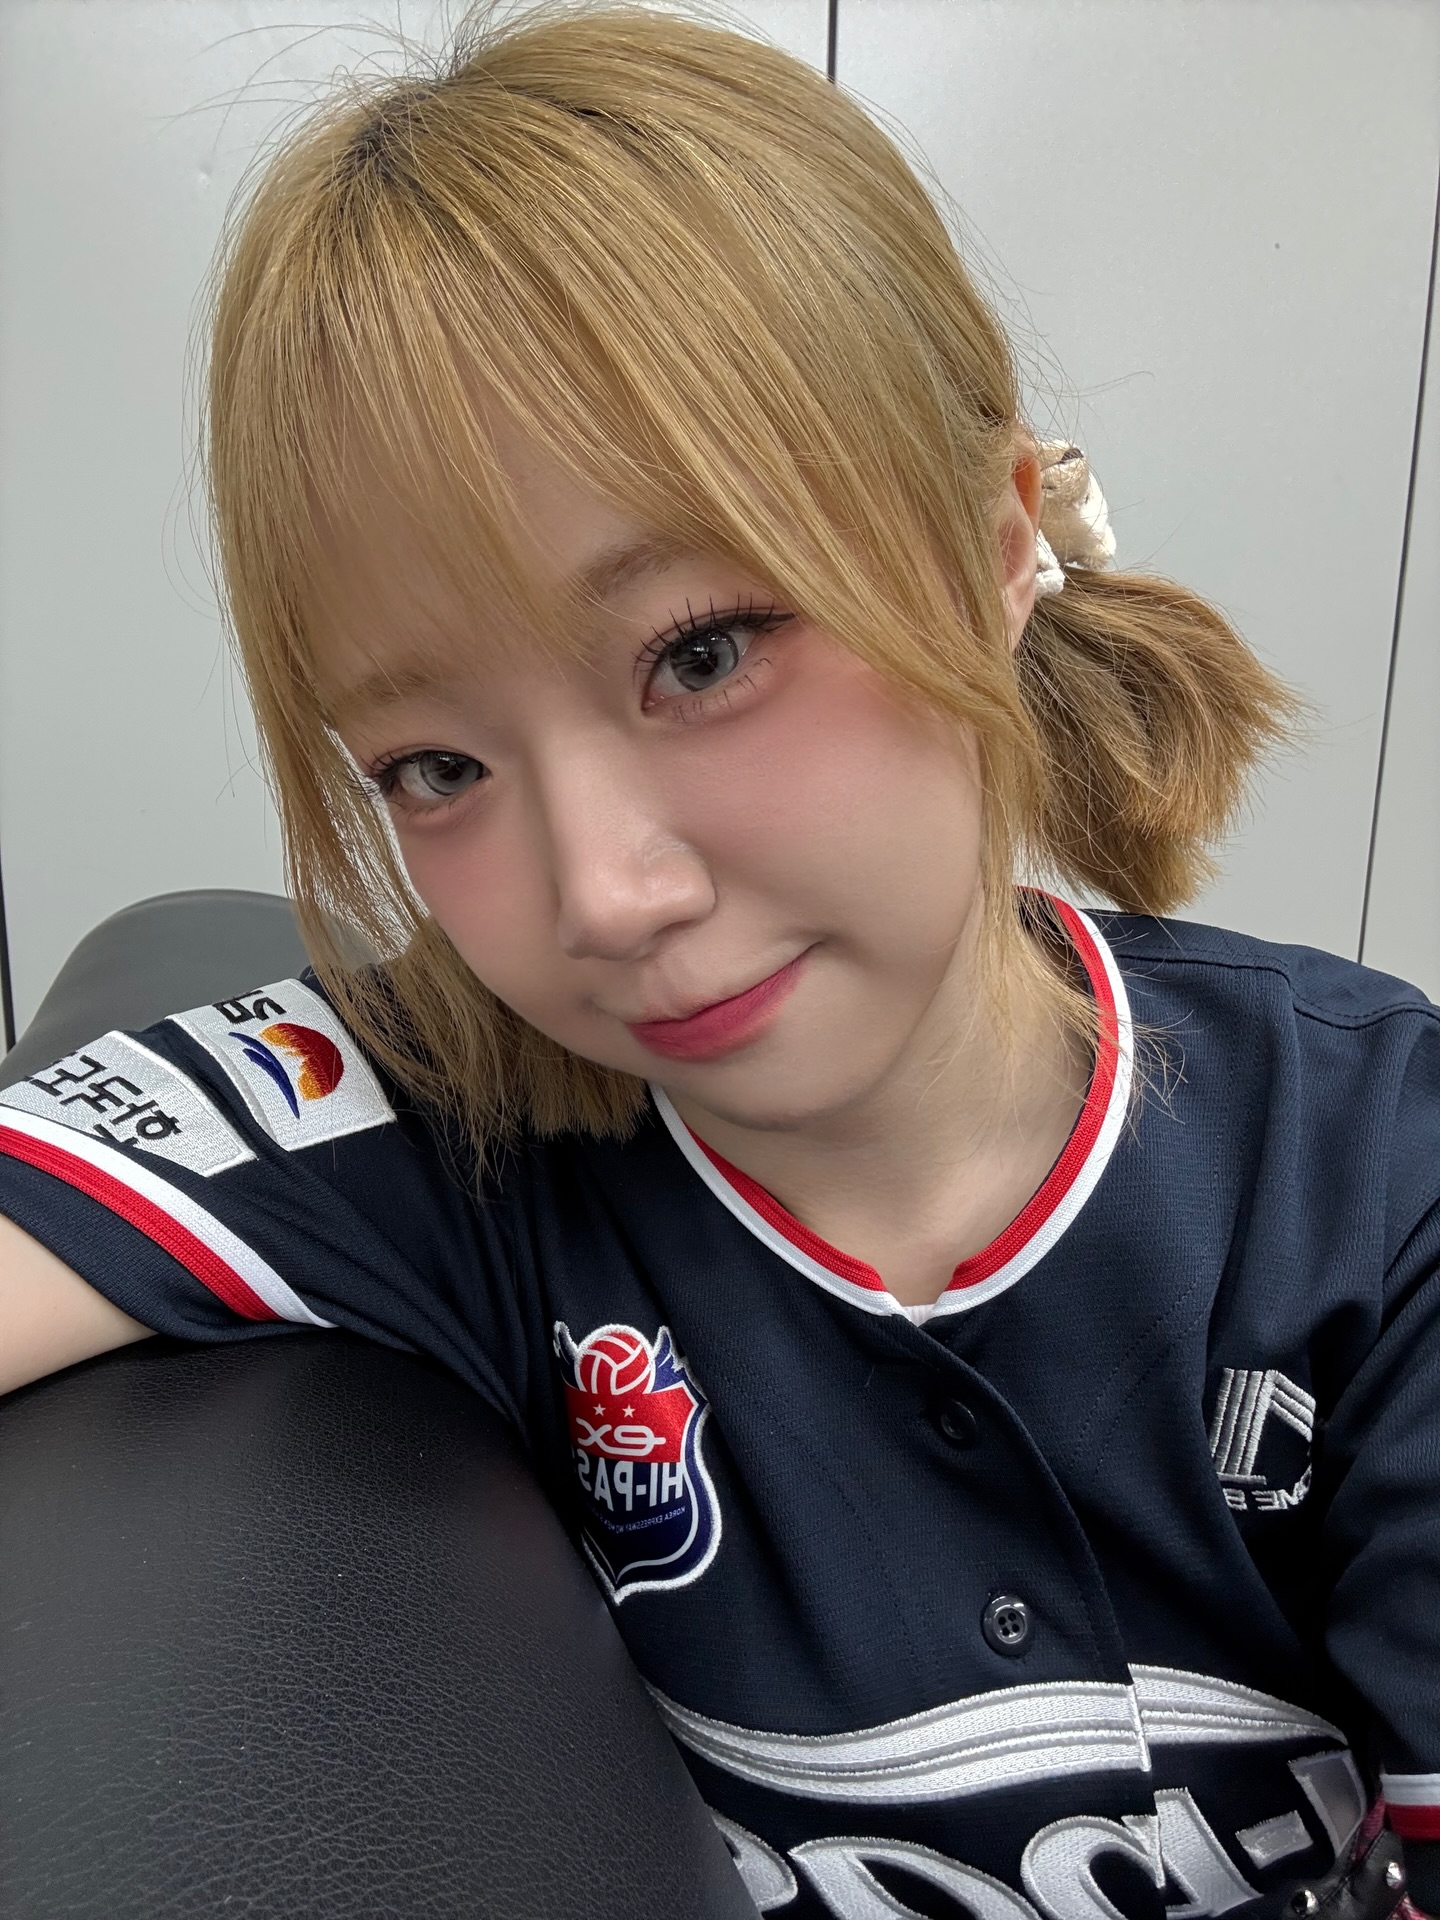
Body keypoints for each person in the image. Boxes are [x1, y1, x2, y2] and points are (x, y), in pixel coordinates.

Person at [0, 5, 1435, 1914]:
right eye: (437, 768)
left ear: (995, 545)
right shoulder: (441, 1120)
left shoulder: (1375, 1175)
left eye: (704, 651)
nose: (602, 896)